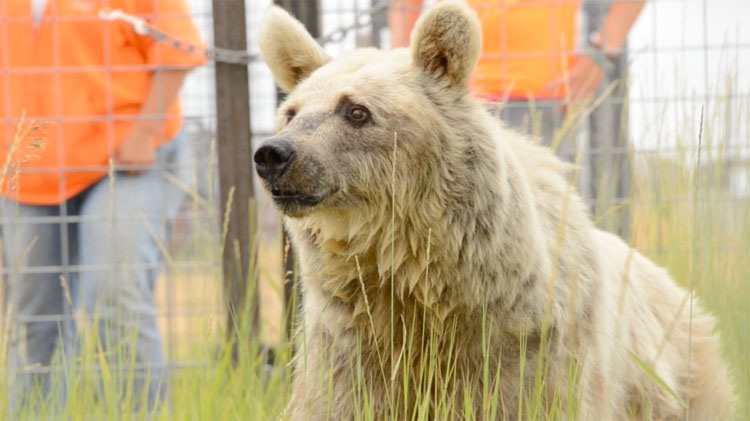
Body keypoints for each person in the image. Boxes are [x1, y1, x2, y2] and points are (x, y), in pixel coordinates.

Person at [0, 0, 205, 412]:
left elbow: (180, 48)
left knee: (113, 295)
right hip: (26, 170)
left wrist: (144, 132)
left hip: (128, 157)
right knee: (34, 315)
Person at [389, 0, 646, 156]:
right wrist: (404, 68)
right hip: (453, 98)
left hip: (542, 100)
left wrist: (602, 52)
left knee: (547, 222)